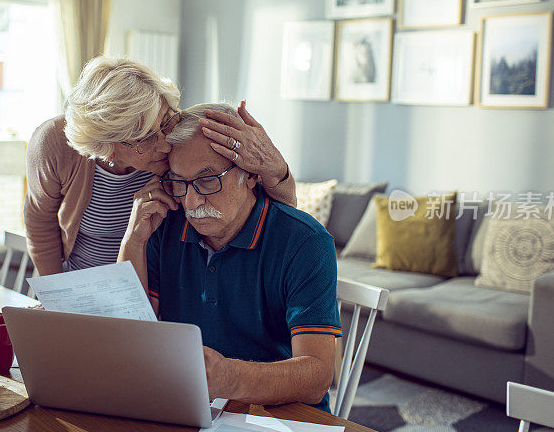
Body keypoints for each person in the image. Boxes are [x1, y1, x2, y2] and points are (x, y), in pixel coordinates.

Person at [118, 103, 341, 411]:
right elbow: (125, 342)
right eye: (179, 182)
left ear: (250, 175)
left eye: (208, 180)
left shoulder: (305, 241)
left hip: (280, 419)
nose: (192, 200)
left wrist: (228, 377)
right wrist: (133, 240)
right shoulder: (163, 224)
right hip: (189, 408)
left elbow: (317, 377)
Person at [24, 56, 297, 276]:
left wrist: (275, 168)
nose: (167, 144)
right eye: (146, 138)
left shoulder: (182, 143)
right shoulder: (54, 145)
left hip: (152, 293)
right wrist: (58, 295)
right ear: (108, 146)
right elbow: (39, 223)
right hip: (80, 284)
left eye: (167, 120)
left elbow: (280, 218)